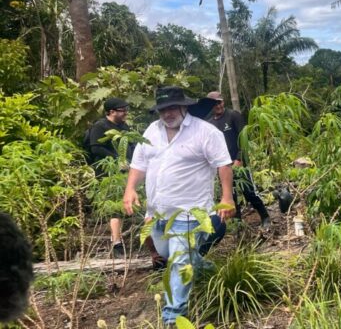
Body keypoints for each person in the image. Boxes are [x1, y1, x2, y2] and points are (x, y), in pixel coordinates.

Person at [122, 86, 235, 325]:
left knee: (179, 261)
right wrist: (130, 189)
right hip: (158, 212)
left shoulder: (205, 132)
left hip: (190, 212)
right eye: (163, 109)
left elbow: (223, 165)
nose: (168, 113)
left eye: (173, 107)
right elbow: (139, 164)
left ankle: (173, 317)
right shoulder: (152, 131)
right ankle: (210, 270)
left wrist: (227, 197)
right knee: (168, 254)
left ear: (184, 107)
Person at [206, 91, 271, 228]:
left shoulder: (233, 115)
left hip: (239, 163)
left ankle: (265, 216)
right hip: (223, 167)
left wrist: (239, 159)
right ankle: (239, 225)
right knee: (231, 195)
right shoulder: (209, 124)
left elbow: (244, 139)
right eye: (215, 103)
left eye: (220, 102)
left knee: (249, 192)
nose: (218, 105)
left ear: (223, 101)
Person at [85, 97, 134, 258]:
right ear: (111, 112)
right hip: (108, 173)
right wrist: (118, 160)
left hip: (125, 171)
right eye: (122, 110)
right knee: (114, 207)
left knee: (123, 205)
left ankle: (119, 239)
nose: (125, 113)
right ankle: (116, 243)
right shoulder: (100, 126)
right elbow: (96, 148)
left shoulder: (123, 126)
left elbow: (132, 145)